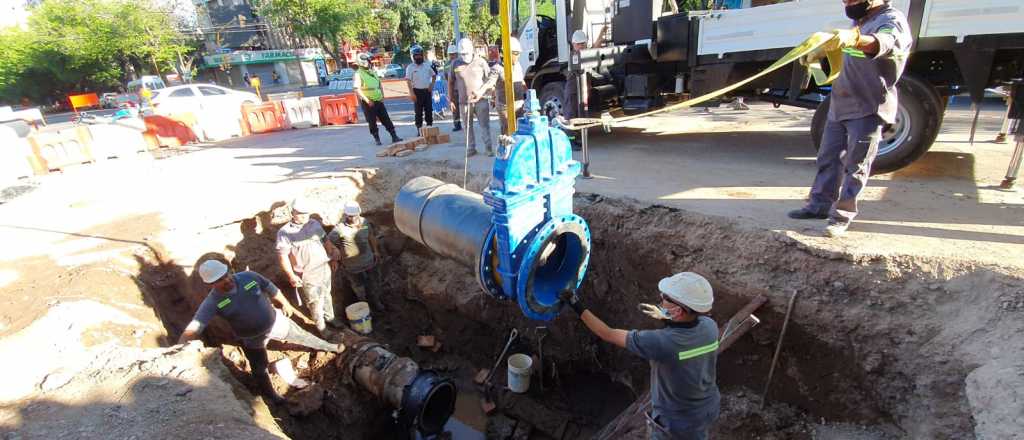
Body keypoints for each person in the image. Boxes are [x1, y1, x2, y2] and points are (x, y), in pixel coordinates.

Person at [788, 0, 911, 237]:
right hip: (840, 104)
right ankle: (819, 205)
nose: (847, 3)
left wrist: (855, 38)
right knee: (828, 158)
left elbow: (884, 43)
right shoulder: (859, 21)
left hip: (868, 106)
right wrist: (818, 57)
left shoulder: (891, 20)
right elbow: (846, 60)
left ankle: (841, 216)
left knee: (857, 165)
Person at [560, 272, 720, 440]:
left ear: (678, 311)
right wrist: (665, 314)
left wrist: (575, 303)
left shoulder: (660, 343)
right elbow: (683, 333)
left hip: (676, 422)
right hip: (706, 406)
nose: (661, 298)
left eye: (665, 298)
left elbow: (607, 333)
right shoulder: (709, 326)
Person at [178, 260, 344, 404]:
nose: (226, 280)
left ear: (229, 270)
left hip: (276, 323)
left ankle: (331, 347)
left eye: (226, 275)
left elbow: (270, 288)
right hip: (252, 338)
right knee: (259, 369)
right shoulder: (213, 302)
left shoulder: (248, 277)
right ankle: (272, 396)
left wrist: (285, 304)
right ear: (210, 284)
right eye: (219, 280)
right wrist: (178, 349)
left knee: (304, 336)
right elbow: (196, 325)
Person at [276, 197, 342, 333]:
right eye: (300, 213)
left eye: (306, 213)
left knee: (326, 294)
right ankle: (322, 328)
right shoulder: (284, 233)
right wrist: (291, 275)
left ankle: (330, 318)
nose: (304, 216)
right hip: (308, 274)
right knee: (315, 302)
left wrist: (333, 258)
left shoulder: (314, 224)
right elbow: (283, 256)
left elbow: (325, 241)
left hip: (324, 268)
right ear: (292, 213)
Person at [326, 201, 385, 311]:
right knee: (359, 288)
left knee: (374, 284)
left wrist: (376, 251)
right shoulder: (339, 229)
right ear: (345, 214)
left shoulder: (365, 222)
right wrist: (334, 257)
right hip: (352, 268)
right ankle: (365, 306)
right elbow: (327, 242)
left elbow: (371, 237)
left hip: (369, 262)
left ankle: (376, 302)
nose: (352, 218)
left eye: (354, 215)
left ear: (359, 213)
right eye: (349, 216)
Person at [472, 37, 526, 137]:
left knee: (521, 132)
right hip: (505, 108)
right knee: (508, 134)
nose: (518, 56)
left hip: (519, 105)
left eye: (519, 54)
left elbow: (521, 80)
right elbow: (489, 83)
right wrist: (479, 93)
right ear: (508, 53)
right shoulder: (497, 69)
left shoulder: (518, 65)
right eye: (516, 53)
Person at [450, 38, 494, 157]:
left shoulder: (481, 62)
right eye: (462, 54)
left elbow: (490, 79)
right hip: (464, 102)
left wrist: (490, 94)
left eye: (466, 53)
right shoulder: (455, 64)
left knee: (484, 126)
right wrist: (451, 100)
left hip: (481, 101)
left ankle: (488, 148)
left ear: (472, 50)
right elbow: (450, 82)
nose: (464, 56)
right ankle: (471, 148)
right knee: (467, 127)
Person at [353, 53, 403, 146]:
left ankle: (394, 136)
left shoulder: (372, 72)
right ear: (363, 62)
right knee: (372, 121)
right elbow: (357, 89)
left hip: (378, 100)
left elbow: (379, 84)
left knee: (386, 119)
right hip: (368, 102)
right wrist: (367, 100)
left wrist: (382, 96)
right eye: (369, 61)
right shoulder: (358, 74)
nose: (370, 63)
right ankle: (377, 138)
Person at [406, 44, 437, 131]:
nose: (418, 57)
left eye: (420, 55)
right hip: (417, 92)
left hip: (427, 91)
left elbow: (434, 75)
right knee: (418, 112)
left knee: (429, 110)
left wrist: (431, 85)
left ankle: (430, 127)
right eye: (416, 55)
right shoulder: (410, 68)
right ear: (413, 56)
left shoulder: (426, 65)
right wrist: (411, 93)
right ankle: (419, 129)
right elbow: (408, 81)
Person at [445, 44, 463, 132]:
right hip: (453, 89)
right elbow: (446, 76)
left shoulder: (461, 62)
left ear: (457, 54)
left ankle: (468, 122)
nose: (452, 56)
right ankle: (457, 124)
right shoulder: (447, 65)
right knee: (455, 107)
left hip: (462, 88)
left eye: (454, 54)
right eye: (451, 54)